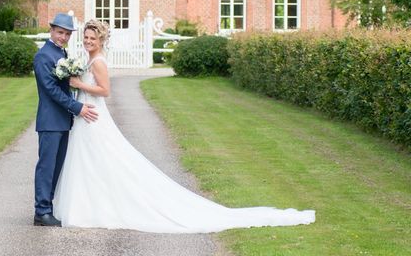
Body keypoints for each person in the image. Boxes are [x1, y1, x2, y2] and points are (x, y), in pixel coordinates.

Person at [53, 19, 315, 233]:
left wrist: (78, 85)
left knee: (107, 160)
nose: (88, 41)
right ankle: (93, 205)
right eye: (86, 38)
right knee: (95, 162)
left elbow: (105, 90)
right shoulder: (87, 59)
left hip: (95, 116)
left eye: (92, 38)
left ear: (101, 41)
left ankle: (101, 206)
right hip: (86, 115)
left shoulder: (98, 61)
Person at [33, 13, 99, 227]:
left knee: (57, 167)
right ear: (51, 30)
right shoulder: (44, 56)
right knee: (47, 166)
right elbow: (51, 89)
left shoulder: (61, 52)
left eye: (67, 34)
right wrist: (77, 107)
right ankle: (41, 211)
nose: (63, 37)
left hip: (63, 120)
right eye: (60, 32)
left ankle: (48, 209)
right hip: (50, 121)